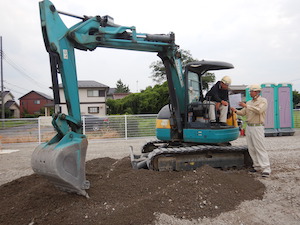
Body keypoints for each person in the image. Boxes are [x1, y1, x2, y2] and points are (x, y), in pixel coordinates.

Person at [231, 84, 271, 177]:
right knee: (251, 148)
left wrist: (246, 106)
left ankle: (266, 168)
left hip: (257, 126)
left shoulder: (263, 101)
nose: (250, 93)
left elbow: (259, 110)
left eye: (251, 91)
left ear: (257, 92)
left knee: (260, 147)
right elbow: (243, 113)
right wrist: (235, 110)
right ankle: (257, 166)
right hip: (249, 126)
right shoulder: (249, 102)